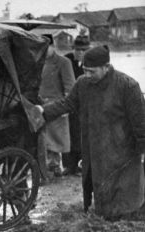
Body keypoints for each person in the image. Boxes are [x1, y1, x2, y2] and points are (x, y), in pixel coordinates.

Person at [35, 45, 145, 220]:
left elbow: (140, 123)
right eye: (85, 70)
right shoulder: (83, 84)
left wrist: (141, 150)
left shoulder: (128, 86)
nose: (87, 75)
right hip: (95, 148)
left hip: (123, 151)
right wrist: (43, 110)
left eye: (92, 72)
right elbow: (67, 103)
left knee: (126, 194)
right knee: (100, 189)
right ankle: (104, 222)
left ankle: (128, 224)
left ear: (106, 67)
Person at [39, 34, 75, 179]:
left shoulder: (63, 62)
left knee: (56, 140)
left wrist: (67, 107)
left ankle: (55, 167)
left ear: (53, 46)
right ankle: (46, 168)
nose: (42, 51)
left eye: (46, 47)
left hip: (57, 106)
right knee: (43, 138)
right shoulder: (37, 62)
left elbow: (70, 87)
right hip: (40, 105)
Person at [62, 35, 91, 176]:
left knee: (82, 134)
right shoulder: (66, 60)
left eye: (83, 50)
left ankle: (81, 166)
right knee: (67, 133)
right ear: (73, 49)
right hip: (69, 102)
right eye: (77, 49)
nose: (80, 52)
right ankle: (68, 165)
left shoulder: (92, 63)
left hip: (85, 104)